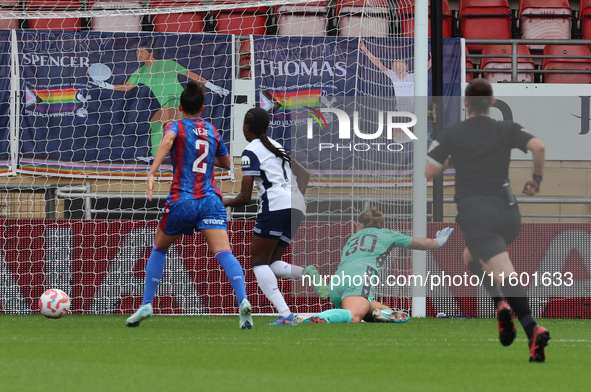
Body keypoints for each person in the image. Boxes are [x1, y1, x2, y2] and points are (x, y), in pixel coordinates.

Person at [425, 78, 548, 362]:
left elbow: (429, 171)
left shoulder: (452, 133)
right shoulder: (506, 128)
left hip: (477, 213)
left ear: (465, 103)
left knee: (503, 270)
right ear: (492, 103)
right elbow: (538, 147)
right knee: (470, 257)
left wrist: (451, 157)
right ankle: (500, 305)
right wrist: (537, 178)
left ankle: (532, 329)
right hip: (508, 211)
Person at [126, 81, 252, 330]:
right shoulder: (212, 130)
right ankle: (243, 300)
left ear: (180, 107)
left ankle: (147, 303)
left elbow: (168, 139)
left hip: (183, 200)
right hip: (210, 200)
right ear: (202, 108)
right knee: (224, 252)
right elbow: (226, 163)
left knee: (159, 249)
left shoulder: (175, 126)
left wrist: (152, 172)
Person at [223, 107, 328, 326]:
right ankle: (306, 272)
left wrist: (222, 201)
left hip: (276, 206)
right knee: (271, 262)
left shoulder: (251, 151)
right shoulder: (278, 147)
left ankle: (287, 315)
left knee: (258, 263)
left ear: (246, 126)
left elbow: (244, 197)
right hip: (298, 206)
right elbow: (305, 174)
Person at [300, 208, 453, 325]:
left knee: (372, 310)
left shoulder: (352, 238)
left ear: (359, 224)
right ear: (381, 225)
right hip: (359, 279)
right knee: (354, 316)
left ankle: (385, 313)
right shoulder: (388, 234)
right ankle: (319, 318)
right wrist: (438, 241)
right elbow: (421, 243)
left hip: (337, 282)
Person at [91, 40, 229, 158]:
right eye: (137, 52)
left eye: (141, 52)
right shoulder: (139, 72)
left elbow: (192, 76)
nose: (138, 55)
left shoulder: (168, 64)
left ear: (150, 53)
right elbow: (127, 87)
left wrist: (213, 86)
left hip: (179, 100)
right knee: (166, 125)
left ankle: (159, 154)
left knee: (159, 122)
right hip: (169, 103)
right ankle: (161, 154)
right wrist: (107, 86)